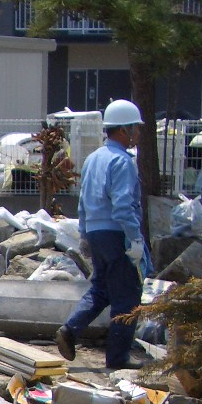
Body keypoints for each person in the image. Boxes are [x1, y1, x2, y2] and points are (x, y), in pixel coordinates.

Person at [55, 98, 150, 370]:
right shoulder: (123, 162)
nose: (138, 134)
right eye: (136, 128)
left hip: (96, 234)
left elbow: (83, 202)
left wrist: (85, 234)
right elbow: (123, 206)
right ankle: (118, 359)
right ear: (124, 130)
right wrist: (134, 239)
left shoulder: (93, 159)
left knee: (101, 288)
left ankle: (70, 329)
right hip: (116, 234)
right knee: (127, 295)